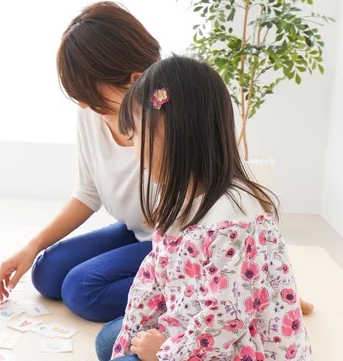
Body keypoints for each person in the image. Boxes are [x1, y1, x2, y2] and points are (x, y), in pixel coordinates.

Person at [95, 56, 310, 360]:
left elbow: (226, 323)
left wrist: (163, 352)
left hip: (240, 346)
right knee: (110, 340)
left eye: (138, 138)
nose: (136, 155)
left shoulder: (235, 220)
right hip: (197, 327)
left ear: (175, 132)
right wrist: (134, 334)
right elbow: (152, 280)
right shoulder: (181, 199)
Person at [0, 2, 161, 322]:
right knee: (46, 272)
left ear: (135, 79)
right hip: (135, 230)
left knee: (83, 291)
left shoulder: (169, 120)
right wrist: (31, 246)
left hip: (179, 243)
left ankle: (186, 291)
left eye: (91, 95)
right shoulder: (92, 110)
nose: (84, 104)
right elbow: (88, 191)